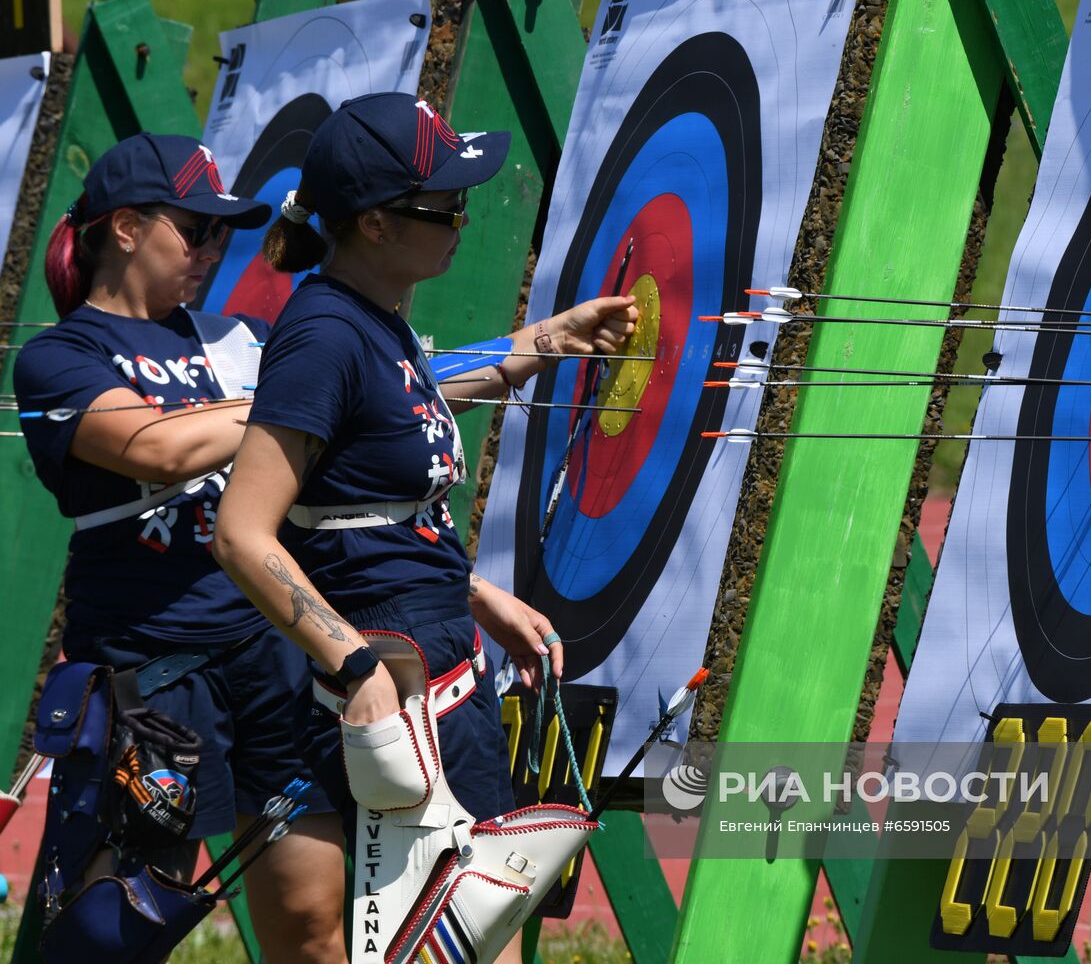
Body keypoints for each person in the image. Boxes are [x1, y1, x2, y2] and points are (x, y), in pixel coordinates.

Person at [213, 92, 637, 963]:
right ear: (373, 222)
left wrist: (551, 339)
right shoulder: (325, 336)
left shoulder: (374, 320)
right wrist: (353, 660)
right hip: (363, 681)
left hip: (430, 654)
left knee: (475, 928)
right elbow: (243, 531)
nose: (462, 219)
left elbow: (403, 420)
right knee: (359, 940)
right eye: (442, 206)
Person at [12, 133, 346, 960]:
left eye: (221, 235)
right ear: (125, 228)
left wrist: (538, 348)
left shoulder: (233, 340)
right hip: (152, 681)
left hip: (269, 665)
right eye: (194, 230)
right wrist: (292, 396)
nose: (209, 252)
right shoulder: (59, 358)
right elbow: (157, 449)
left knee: (313, 923)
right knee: (111, 936)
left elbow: (380, 392)